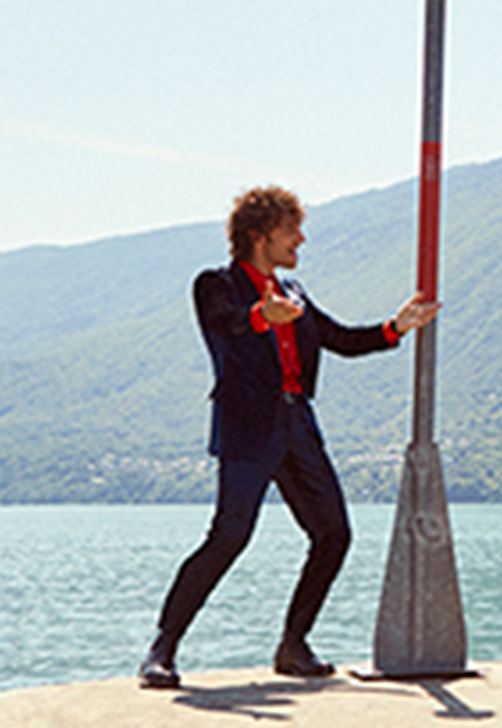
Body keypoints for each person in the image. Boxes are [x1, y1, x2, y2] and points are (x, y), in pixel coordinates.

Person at [140, 186, 440, 689]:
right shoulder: (215, 285)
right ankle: (161, 650)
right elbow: (226, 323)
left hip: (298, 425)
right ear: (259, 236)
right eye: (290, 231)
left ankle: (293, 645)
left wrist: (395, 327)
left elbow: (340, 339)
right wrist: (261, 316)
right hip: (247, 430)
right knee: (229, 537)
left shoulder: (295, 293)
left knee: (334, 535)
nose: (300, 239)